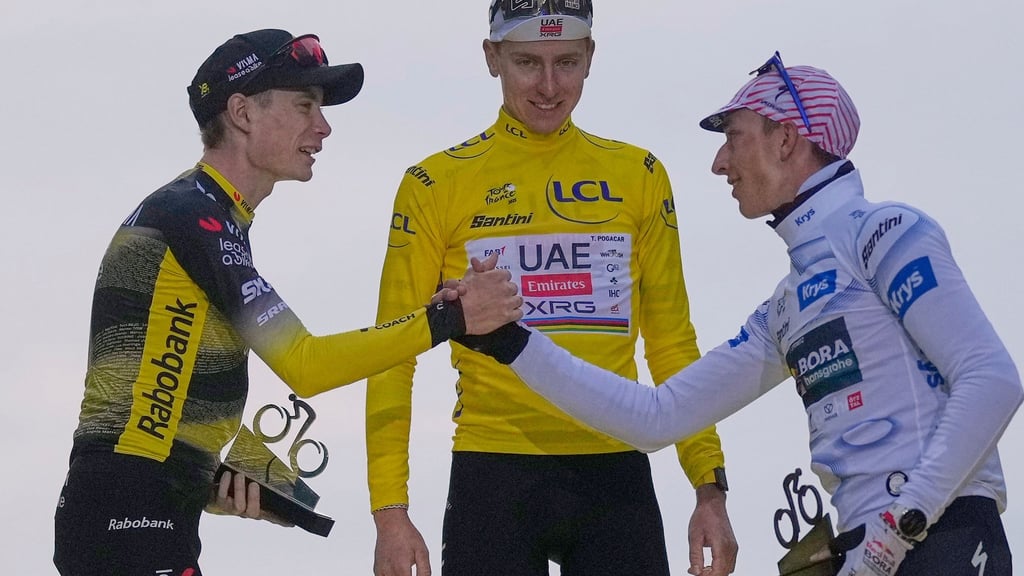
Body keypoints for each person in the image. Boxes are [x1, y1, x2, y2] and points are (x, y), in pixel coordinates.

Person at [463, 52, 1023, 575]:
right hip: (868, 548)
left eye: (734, 137)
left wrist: (905, 521)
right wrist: (510, 341)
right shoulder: (786, 305)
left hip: (938, 534)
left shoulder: (886, 231)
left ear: (785, 139)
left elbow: (992, 378)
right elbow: (656, 417)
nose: (719, 162)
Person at [52, 28, 522, 576]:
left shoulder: (203, 212)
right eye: (305, 106)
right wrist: (450, 318)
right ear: (242, 112)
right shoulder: (191, 215)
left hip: (138, 509)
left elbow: (144, 401)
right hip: (127, 513)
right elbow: (306, 363)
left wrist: (210, 482)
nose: (322, 127)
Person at [365, 2, 737, 575]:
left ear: (591, 57)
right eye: (526, 63)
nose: (547, 85)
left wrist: (708, 487)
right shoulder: (434, 183)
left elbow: (671, 343)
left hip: (615, 468)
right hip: (493, 470)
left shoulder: (638, 175)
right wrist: (390, 513)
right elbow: (392, 354)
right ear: (492, 58)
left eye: (566, 61)